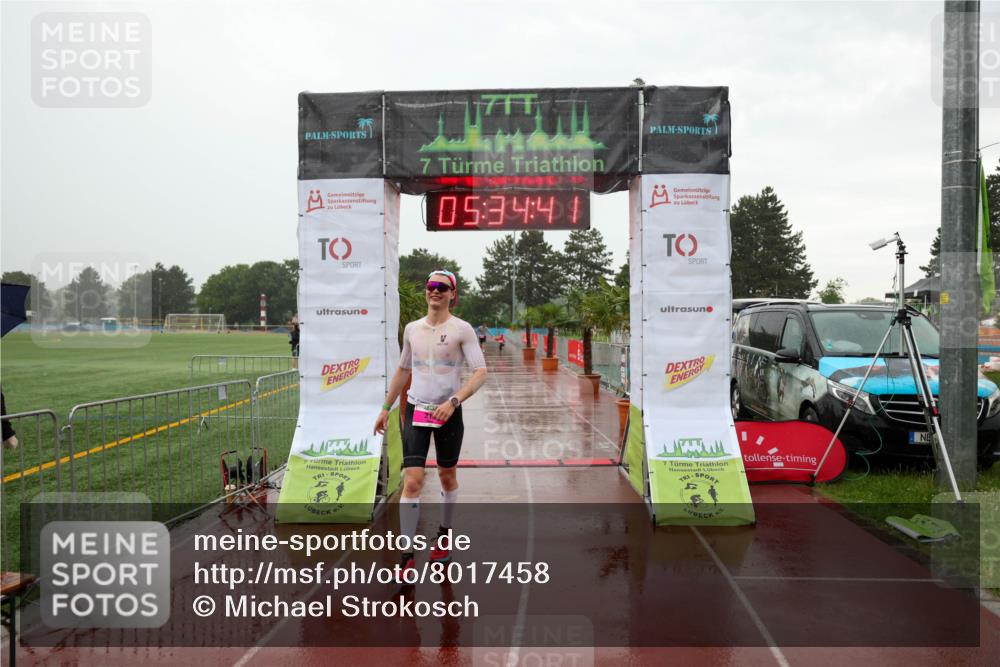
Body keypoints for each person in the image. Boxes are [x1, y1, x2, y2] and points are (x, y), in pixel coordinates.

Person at [374, 269, 487, 582]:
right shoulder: (412, 329)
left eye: (441, 287)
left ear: (452, 294)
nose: (434, 291)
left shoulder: (462, 330)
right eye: (430, 287)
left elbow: (480, 372)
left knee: (447, 476)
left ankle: (445, 535)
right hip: (415, 410)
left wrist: (454, 402)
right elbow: (402, 369)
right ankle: (407, 556)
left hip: (448, 413)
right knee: (412, 481)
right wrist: (386, 407)